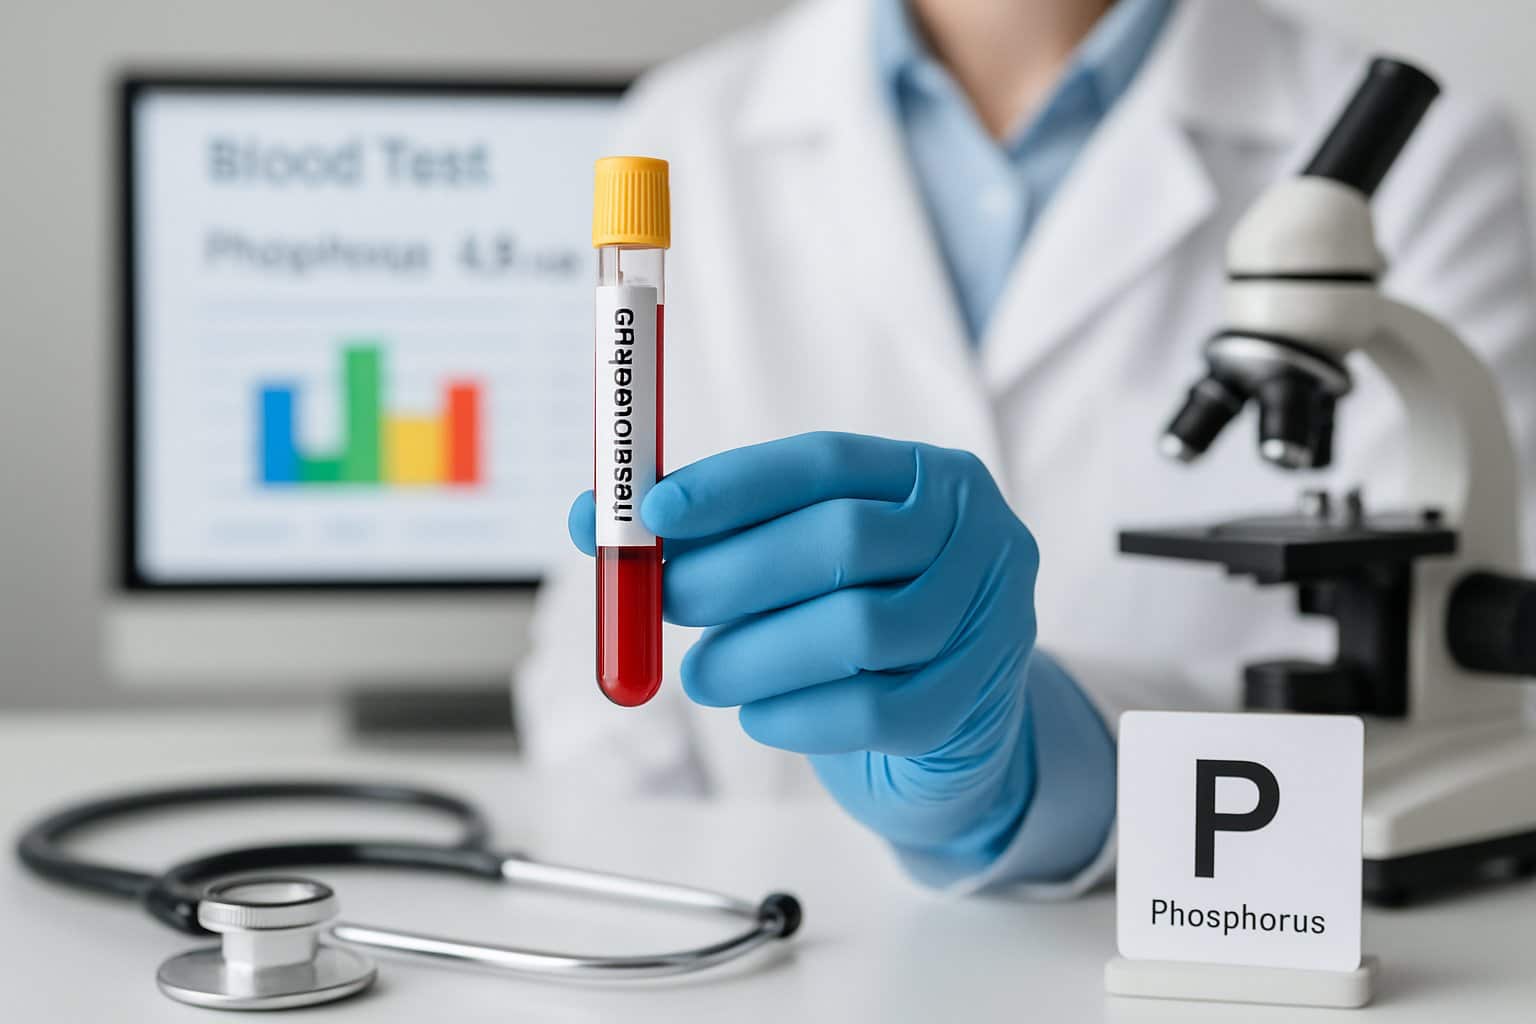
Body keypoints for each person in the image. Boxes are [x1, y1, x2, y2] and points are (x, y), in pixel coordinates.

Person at [518, 0, 1536, 896]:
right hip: (767, 937)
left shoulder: (1429, 153)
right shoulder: (687, 126)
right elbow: (602, 718)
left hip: (1201, 933)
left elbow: (1433, 687)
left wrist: (1040, 761)